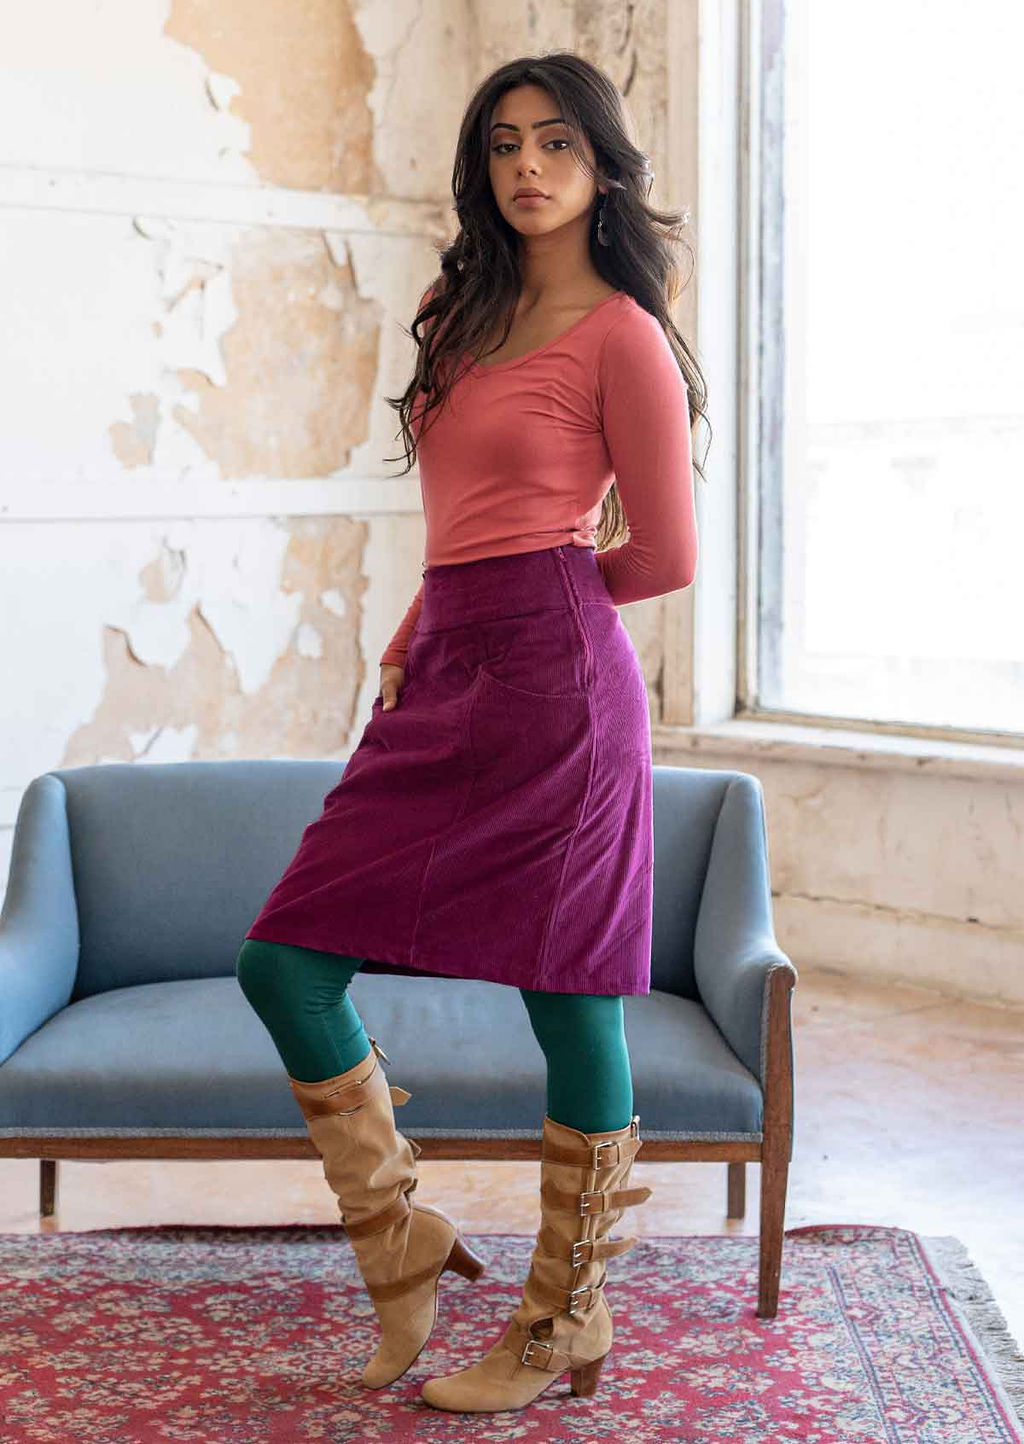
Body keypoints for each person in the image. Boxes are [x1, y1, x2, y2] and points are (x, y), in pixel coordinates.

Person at [235, 50, 705, 1415]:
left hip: (559, 688)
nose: (528, 167)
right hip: (447, 660)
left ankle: (563, 1316)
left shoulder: (623, 335)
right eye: (504, 144)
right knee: (284, 963)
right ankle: (398, 1239)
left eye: (557, 142)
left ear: (603, 167)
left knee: (571, 993)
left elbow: (663, 555)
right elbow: (459, 522)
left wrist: (534, 604)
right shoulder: (459, 308)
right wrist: (420, 627)